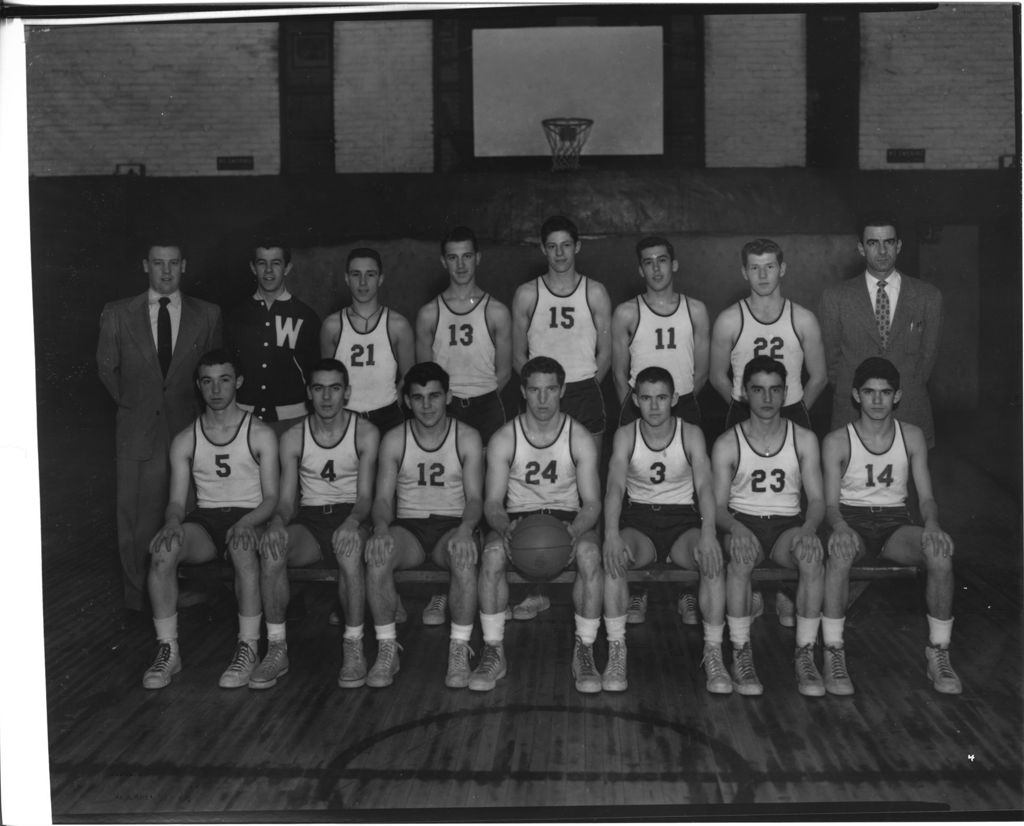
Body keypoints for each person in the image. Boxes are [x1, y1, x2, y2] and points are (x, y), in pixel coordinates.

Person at [821, 357, 960, 695]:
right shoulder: (837, 440)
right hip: (850, 520)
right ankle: (833, 652)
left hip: (894, 524)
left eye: (885, 393)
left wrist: (932, 524)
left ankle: (938, 652)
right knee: (839, 554)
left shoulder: (911, 436)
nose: (878, 400)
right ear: (856, 395)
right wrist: (839, 527)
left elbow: (925, 497)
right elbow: (828, 504)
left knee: (940, 554)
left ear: (897, 396)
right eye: (869, 392)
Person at [141, 350, 279, 689]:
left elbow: (273, 499)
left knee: (244, 549)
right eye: (207, 381)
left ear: (239, 382)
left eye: (224, 379)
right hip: (205, 522)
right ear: (198, 386)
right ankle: (168, 650)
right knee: (162, 552)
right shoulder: (186, 439)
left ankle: (248, 648)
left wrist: (248, 523)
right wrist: (172, 523)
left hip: (249, 517)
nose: (216, 389)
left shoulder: (260, 433)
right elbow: (176, 501)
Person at [97, 239, 222, 612]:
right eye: (157, 263)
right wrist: (137, 404)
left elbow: (214, 371)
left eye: (172, 263)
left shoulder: (208, 314)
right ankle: (139, 600)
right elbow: (107, 370)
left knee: (186, 509)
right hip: (138, 428)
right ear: (145, 266)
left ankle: (178, 589)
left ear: (184, 266)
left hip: (187, 427)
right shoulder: (117, 314)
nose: (165, 271)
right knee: (135, 516)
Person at [709, 237, 827, 627]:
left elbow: (819, 375)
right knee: (744, 497)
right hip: (745, 410)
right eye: (754, 267)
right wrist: (745, 405)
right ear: (744, 272)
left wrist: (792, 412)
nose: (763, 274)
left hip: (790, 408)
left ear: (783, 269)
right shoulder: (729, 318)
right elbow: (715, 374)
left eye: (770, 266)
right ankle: (753, 591)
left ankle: (786, 592)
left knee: (792, 499)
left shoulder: (803, 318)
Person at [470, 356, 604, 694]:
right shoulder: (504, 437)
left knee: (590, 556)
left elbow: (592, 503)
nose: (542, 400)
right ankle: (493, 649)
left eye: (550, 390)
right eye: (534, 391)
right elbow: (491, 503)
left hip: (566, 518)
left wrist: (573, 532)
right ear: (523, 392)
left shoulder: (580, 437)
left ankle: (585, 651)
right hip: (520, 519)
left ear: (562, 391)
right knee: (491, 556)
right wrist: (504, 527)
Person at [253, 359, 378, 690]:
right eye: (319, 389)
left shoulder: (365, 433)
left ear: (347, 393)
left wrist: (352, 522)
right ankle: (277, 648)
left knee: (350, 554)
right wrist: (278, 523)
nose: (327, 397)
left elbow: (366, 498)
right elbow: (284, 501)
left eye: (335, 389)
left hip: (351, 516)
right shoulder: (293, 437)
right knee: (271, 549)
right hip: (310, 519)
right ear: (309, 393)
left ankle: (353, 646)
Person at [509, 216, 611, 621]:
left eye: (566, 245)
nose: (560, 253)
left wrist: (580, 387)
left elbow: (605, 354)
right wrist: (542, 393)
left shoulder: (596, 292)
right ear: (543, 250)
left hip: (582, 391)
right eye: (552, 246)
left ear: (577, 246)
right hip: (540, 395)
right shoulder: (526, 294)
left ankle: (592, 584)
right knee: (539, 491)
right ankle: (538, 587)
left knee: (588, 491)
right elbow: (518, 354)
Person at [603, 367, 724, 693]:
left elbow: (706, 486)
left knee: (711, 558)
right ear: (635, 401)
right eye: (645, 398)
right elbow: (614, 487)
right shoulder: (626, 434)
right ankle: (617, 650)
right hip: (639, 522)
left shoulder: (692, 433)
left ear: (674, 399)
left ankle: (713, 652)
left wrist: (709, 533)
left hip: (683, 521)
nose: (654, 406)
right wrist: (611, 534)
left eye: (661, 398)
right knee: (615, 559)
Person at [364, 362, 485, 689]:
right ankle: (388, 648)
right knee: (377, 556)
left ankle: (459, 649)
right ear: (406, 401)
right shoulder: (394, 439)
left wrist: (465, 529)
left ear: (448, 397)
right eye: (418, 398)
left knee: (464, 557)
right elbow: (382, 501)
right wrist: (379, 529)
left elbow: (475, 499)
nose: (427, 405)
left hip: (452, 526)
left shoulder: (467, 437)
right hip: (410, 529)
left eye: (434, 396)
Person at [415, 226, 512, 627]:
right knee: (448, 495)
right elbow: (421, 372)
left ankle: (495, 584)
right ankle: (444, 588)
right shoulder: (429, 313)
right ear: (443, 261)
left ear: (477, 259)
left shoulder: (496, 310)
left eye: (466, 256)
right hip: (444, 412)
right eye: (452, 257)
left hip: (487, 407)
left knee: (490, 497)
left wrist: (478, 397)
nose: (459, 264)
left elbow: (505, 370)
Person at [711, 356, 825, 697]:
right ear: (744, 393)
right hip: (742, 523)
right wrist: (735, 529)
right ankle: (741, 652)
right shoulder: (727, 442)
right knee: (741, 559)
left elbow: (817, 500)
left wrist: (809, 530)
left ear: (785, 392)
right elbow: (715, 507)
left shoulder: (803, 438)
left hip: (787, 526)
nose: (767, 398)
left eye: (775, 390)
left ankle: (805, 654)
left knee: (811, 558)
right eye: (758, 390)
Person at [820, 215, 943, 448]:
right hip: (852, 412)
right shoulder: (835, 297)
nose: (882, 250)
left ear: (899, 246)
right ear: (861, 248)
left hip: (909, 410)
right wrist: (856, 392)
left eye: (888, 242)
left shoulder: (928, 297)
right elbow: (832, 363)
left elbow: (927, 360)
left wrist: (906, 387)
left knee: (909, 483)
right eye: (873, 243)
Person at [224, 239, 321, 435]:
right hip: (244, 420)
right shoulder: (236, 315)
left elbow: (315, 373)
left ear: (287, 268)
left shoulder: (306, 316)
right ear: (253, 267)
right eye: (262, 263)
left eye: (276, 263)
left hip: (293, 422)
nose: (268, 270)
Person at [611, 236, 710, 428]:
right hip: (639, 407)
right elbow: (618, 375)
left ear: (674, 265)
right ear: (641, 270)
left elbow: (702, 373)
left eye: (662, 260)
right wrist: (635, 408)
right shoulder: (626, 313)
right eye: (649, 263)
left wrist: (676, 402)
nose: (656, 269)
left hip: (683, 403)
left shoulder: (696, 310)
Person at [320, 247, 415, 434]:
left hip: (388, 419)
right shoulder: (332, 326)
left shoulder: (398, 325)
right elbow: (326, 379)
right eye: (356, 274)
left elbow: (409, 377)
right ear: (347, 278)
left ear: (380, 279)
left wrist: (388, 405)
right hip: (345, 417)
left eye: (370, 275)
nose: (363, 282)